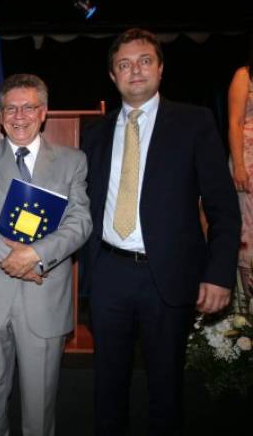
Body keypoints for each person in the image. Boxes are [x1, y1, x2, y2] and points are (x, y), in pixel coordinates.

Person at [81, 28, 241, 435]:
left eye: (144, 61)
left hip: (167, 277)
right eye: (124, 64)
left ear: (161, 69)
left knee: (166, 391)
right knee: (107, 389)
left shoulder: (194, 122)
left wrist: (218, 272)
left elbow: (223, 207)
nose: (135, 70)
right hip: (108, 275)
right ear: (113, 75)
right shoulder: (94, 133)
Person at [0, 73, 92, 435]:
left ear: (43, 112)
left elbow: (80, 223)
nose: (19, 116)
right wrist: (17, 260)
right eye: (10, 108)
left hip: (43, 295)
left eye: (28, 107)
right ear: (0, 116)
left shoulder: (72, 160)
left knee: (39, 409)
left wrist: (35, 255)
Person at [228, 55, 253, 309]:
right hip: (248, 162)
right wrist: (239, 166)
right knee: (249, 236)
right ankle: (247, 311)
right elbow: (235, 122)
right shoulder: (245, 74)